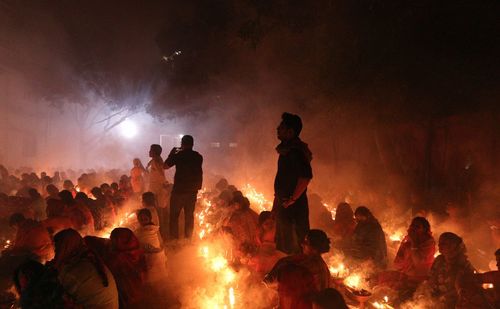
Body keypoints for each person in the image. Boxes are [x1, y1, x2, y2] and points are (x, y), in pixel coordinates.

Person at [272, 112, 313, 254]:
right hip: (285, 206)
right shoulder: (287, 151)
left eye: (281, 127)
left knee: (294, 245)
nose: (277, 129)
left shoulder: (295, 152)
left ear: (290, 132)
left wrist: (292, 199)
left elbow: (305, 177)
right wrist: (276, 203)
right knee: (285, 243)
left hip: (294, 210)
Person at [52, 229, 119, 309]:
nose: (56, 251)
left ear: (64, 247)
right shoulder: (90, 258)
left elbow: (56, 289)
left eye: (57, 248)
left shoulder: (74, 271)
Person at [428, 232, 491, 308]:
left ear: (453, 246)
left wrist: (443, 298)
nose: (440, 245)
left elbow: (465, 290)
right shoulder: (439, 260)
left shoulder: (464, 266)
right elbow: (431, 276)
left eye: (444, 243)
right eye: (440, 243)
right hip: (435, 300)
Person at [164, 135, 203, 240]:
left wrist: (172, 153)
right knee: (189, 217)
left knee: (174, 217)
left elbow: (165, 166)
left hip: (179, 191)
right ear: (192, 144)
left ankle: (174, 240)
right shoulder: (198, 157)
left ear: (182, 143)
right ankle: (188, 239)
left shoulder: (179, 155)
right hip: (192, 191)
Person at [266, 229, 331, 291]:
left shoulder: (311, 267)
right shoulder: (320, 264)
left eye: (306, 243)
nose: (302, 245)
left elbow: (286, 284)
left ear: (314, 248)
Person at [106, 228, 147, 308]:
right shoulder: (139, 250)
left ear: (119, 241)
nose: (111, 241)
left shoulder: (117, 258)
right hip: (140, 291)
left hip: (125, 296)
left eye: (113, 239)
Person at [393, 217, 435, 282]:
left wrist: (414, 242)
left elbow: (418, 263)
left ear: (424, 230)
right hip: (404, 275)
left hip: (420, 279)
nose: (413, 228)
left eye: (417, 227)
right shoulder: (407, 241)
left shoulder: (429, 242)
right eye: (412, 225)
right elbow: (396, 263)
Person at [134, 208, 167, 283]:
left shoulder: (154, 229)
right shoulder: (139, 231)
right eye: (141, 219)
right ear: (138, 220)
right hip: (149, 255)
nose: (143, 221)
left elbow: (160, 240)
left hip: (155, 255)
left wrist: (160, 250)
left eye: (145, 219)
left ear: (150, 218)